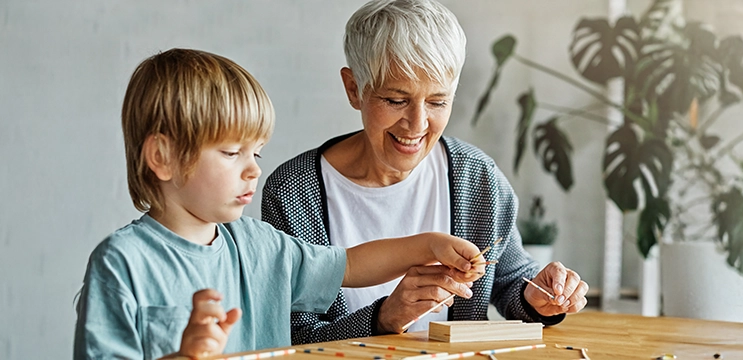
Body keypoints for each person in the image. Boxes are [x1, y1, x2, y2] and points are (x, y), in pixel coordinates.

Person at [73, 48, 487, 360]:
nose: (253, 170)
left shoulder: (259, 244)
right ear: (162, 157)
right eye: (232, 152)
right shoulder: (121, 263)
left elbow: (350, 265)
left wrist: (429, 245)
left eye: (258, 153)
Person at [261, 0, 589, 344]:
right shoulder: (295, 191)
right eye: (395, 100)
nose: (417, 124)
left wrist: (537, 294)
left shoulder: (476, 177)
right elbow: (293, 336)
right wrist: (385, 316)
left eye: (437, 101)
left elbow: (509, 280)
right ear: (354, 88)